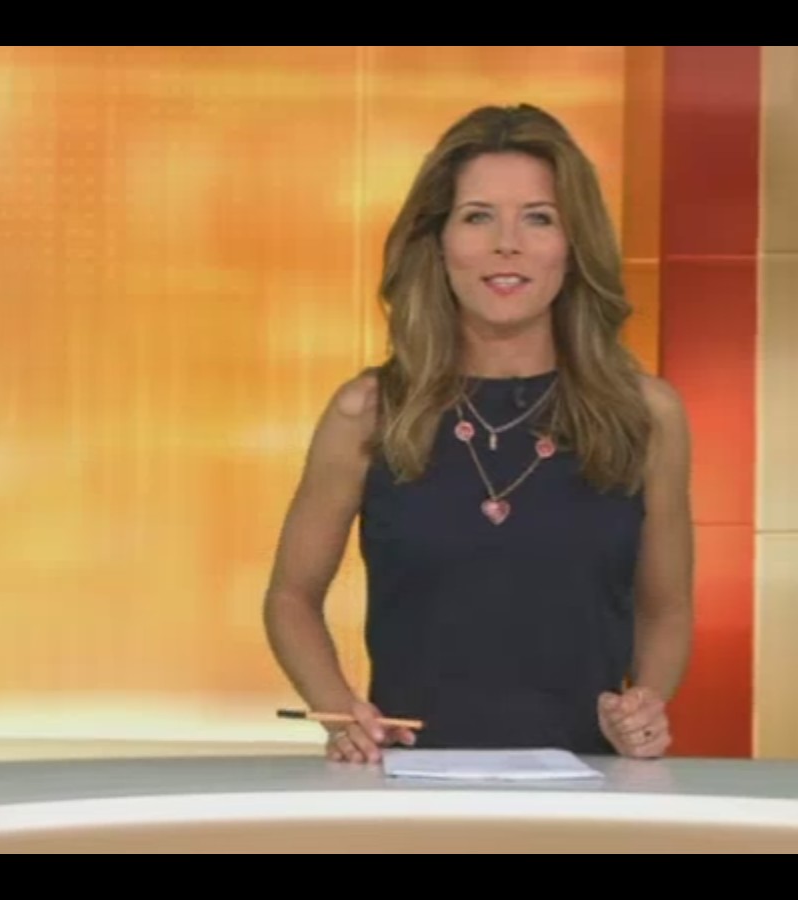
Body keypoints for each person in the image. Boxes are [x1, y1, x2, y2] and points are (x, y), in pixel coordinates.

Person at [262, 104, 694, 763]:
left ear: (573, 245)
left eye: (539, 218)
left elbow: (666, 609)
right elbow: (291, 597)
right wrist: (340, 712)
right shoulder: (368, 412)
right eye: (477, 216)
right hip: (411, 787)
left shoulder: (647, 414)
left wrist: (646, 705)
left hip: (590, 789)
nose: (506, 243)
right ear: (438, 242)